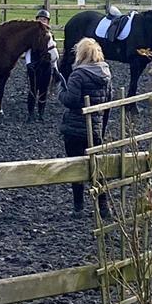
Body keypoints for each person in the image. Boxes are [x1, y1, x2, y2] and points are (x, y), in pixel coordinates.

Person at [59, 37, 112, 216]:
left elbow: (71, 100)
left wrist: (61, 91)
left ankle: (78, 207)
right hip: (95, 127)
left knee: (76, 167)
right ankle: (103, 206)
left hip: (75, 128)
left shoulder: (78, 75)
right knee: (97, 168)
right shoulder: (106, 74)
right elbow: (108, 103)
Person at [26, 8, 53, 111]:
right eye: (40, 19)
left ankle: (41, 112)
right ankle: (31, 113)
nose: (42, 21)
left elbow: (53, 52)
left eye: (45, 19)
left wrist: (54, 65)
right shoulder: (32, 36)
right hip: (34, 65)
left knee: (44, 89)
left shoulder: (50, 35)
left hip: (46, 66)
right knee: (32, 89)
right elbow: (28, 50)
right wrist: (28, 64)